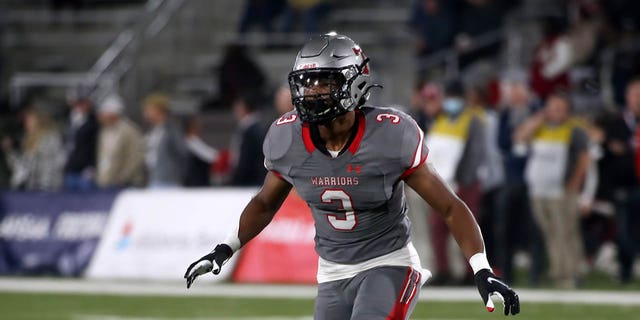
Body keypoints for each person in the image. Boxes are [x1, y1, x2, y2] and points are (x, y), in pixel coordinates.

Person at [184, 33, 519, 319]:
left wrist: (481, 267)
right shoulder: (286, 138)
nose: (312, 93)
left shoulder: (391, 135)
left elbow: (449, 206)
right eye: (306, 83)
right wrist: (225, 249)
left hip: (389, 263)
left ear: (355, 83)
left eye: (324, 82)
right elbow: (264, 203)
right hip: (331, 271)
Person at [515, 92, 590, 288]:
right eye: (551, 107)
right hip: (539, 190)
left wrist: (574, 182)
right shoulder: (540, 128)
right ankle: (559, 270)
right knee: (549, 232)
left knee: (565, 232)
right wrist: (536, 120)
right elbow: (520, 138)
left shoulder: (574, 130)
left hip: (562, 191)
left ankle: (570, 273)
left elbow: (584, 158)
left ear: (567, 111)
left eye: (558, 108)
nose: (553, 112)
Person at [423, 81, 487, 285]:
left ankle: (472, 272)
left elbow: (477, 153)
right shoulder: (440, 119)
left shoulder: (473, 120)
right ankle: (443, 270)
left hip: (464, 183)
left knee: (466, 228)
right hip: (441, 184)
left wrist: (462, 180)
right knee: (437, 228)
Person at [2, 107, 64, 191]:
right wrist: (10, 151)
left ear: (39, 120)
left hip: (47, 188)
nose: (25, 123)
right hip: (31, 188)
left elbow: (57, 163)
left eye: (29, 119)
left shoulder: (50, 138)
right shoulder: (28, 139)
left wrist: (47, 186)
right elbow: (22, 167)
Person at [96, 94, 145, 189]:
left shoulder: (130, 131)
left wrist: (122, 177)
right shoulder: (105, 131)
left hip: (125, 184)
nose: (100, 116)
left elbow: (136, 157)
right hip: (107, 183)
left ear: (111, 114)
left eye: (102, 113)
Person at [143, 93, 187, 188]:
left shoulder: (172, 130)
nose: (146, 113)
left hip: (168, 181)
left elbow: (182, 152)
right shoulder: (152, 130)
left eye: (149, 109)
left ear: (159, 110)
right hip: (153, 178)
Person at [227, 91, 267, 186]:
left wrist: (236, 180)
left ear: (243, 107)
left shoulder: (251, 131)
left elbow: (246, 161)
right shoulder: (254, 128)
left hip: (249, 183)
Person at [63, 88, 98, 191]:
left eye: (83, 103)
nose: (80, 106)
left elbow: (94, 146)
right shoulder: (69, 120)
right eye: (77, 103)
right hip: (70, 169)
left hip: (85, 171)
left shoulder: (93, 123)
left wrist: (92, 166)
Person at [183, 116, 218, 187]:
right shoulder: (191, 141)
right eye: (197, 125)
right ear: (192, 127)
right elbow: (211, 156)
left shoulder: (193, 140)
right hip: (195, 181)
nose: (199, 127)